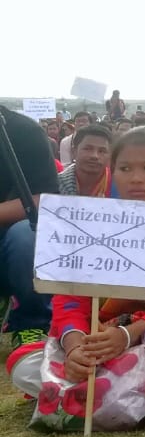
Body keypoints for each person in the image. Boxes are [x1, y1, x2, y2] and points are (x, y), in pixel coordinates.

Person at [9, 128, 145, 430]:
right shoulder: (84, 221)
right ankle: (126, 390)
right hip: (96, 333)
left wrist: (128, 335)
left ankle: (95, 390)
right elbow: (70, 296)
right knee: (20, 362)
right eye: (125, 168)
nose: (136, 178)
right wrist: (76, 347)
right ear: (113, 171)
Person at [0, 107, 59, 348]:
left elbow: (43, 199)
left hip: (9, 240)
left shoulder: (22, 131)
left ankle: (31, 323)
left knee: (28, 234)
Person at [57, 124, 113, 197]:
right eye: (88, 149)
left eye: (102, 151)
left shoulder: (119, 185)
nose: (94, 156)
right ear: (74, 151)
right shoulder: (55, 185)